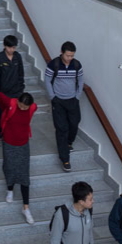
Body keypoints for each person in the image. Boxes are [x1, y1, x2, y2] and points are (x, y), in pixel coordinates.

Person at [0, 91, 36, 223]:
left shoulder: (33, 107)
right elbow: (0, 95)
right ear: (17, 101)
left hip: (23, 144)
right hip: (8, 142)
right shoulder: (11, 103)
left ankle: (26, 207)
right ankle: (10, 189)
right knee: (9, 167)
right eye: (21, 105)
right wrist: (0, 103)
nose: (23, 108)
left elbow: (34, 107)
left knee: (24, 173)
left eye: (25, 107)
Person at [45, 41, 83, 171]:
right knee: (61, 129)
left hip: (72, 100)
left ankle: (69, 142)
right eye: (68, 55)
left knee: (74, 123)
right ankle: (65, 159)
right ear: (62, 53)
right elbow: (47, 80)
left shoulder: (77, 65)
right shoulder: (53, 64)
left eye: (72, 56)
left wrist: (77, 96)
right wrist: (53, 97)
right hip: (58, 101)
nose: (70, 58)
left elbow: (81, 80)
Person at [0, 34, 24, 145]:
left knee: (15, 116)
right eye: (10, 47)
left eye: (14, 47)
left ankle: (12, 134)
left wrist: (21, 90)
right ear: (4, 46)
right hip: (3, 94)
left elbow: (21, 74)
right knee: (1, 116)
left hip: (16, 92)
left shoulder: (17, 57)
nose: (12, 50)